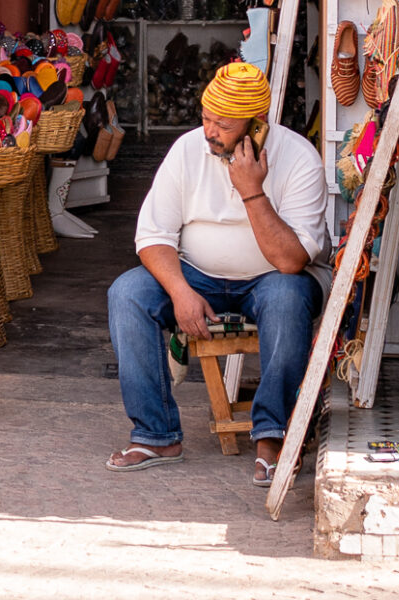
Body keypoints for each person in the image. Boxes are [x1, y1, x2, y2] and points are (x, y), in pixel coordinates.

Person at [105, 60, 329, 485]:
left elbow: (290, 261)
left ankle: (273, 436)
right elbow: (152, 236)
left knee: (287, 296)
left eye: (223, 125)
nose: (210, 132)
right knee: (127, 293)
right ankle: (156, 435)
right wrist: (180, 292)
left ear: (257, 125)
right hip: (197, 273)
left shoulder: (299, 158)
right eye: (206, 119)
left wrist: (251, 189)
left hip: (271, 279)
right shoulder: (188, 150)